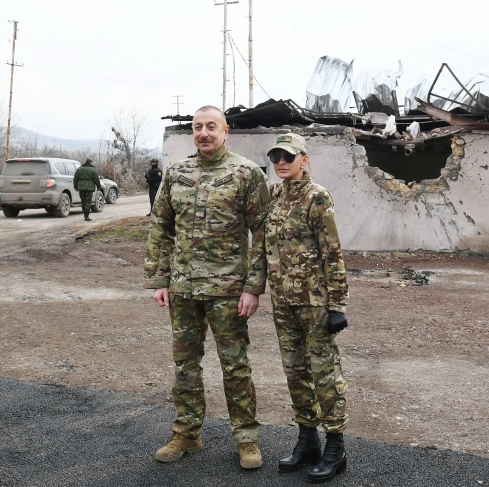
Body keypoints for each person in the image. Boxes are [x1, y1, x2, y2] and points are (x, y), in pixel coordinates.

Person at [144, 105, 270, 470]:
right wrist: (159, 279)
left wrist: (253, 287)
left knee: (235, 366)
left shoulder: (246, 173)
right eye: (198, 127)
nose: (203, 133)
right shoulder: (177, 173)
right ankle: (187, 433)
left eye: (211, 126)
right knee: (185, 365)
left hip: (229, 289)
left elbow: (261, 234)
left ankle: (246, 438)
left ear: (225, 131)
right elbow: (161, 227)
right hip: (183, 287)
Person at [265, 133, 349, 483]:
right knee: (294, 372)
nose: (281, 162)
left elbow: (332, 250)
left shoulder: (317, 197)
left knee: (323, 373)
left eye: (288, 156)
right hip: (283, 302)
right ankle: (307, 439)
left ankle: (335, 447)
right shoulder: (274, 195)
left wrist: (337, 304)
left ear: (304, 158)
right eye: (275, 157)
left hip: (314, 303)